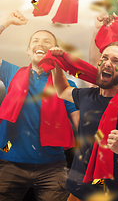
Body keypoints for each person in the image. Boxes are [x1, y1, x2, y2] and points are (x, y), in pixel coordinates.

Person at [50, 42, 118, 201]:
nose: (107, 63)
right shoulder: (86, 96)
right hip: (77, 187)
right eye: (104, 58)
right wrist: (56, 63)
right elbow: (62, 90)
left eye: (116, 61)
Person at [0, 11, 79, 201]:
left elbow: (80, 122)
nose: (41, 44)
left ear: (56, 50)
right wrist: (6, 22)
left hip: (52, 167)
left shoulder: (67, 85)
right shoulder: (11, 72)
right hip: (10, 162)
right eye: (35, 41)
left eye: (47, 42)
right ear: (28, 51)